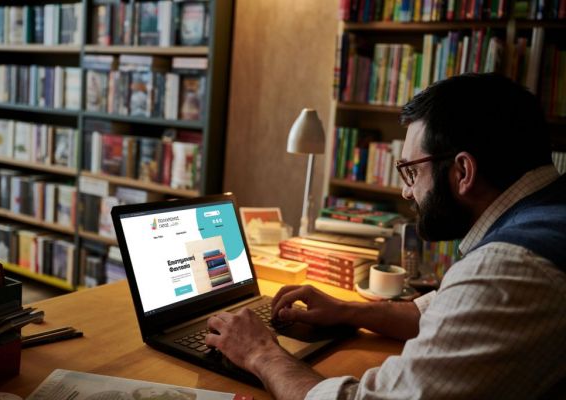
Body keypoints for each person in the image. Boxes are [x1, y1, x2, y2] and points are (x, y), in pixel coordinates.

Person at [205, 73, 566, 399]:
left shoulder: (508, 268)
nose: (407, 192)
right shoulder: (549, 214)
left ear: (463, 171)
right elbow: (446, 311)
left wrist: (260, 353)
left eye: (411, 172)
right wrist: (347, 310)